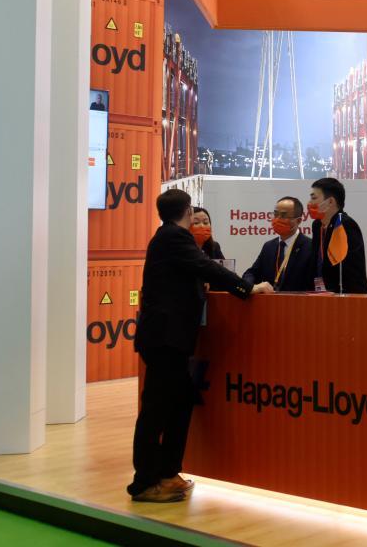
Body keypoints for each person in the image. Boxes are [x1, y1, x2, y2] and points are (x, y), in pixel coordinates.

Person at [128, 190, 267, 503]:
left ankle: (167, 474)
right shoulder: (174, 237)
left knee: (178, 403)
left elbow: (193, 273)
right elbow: (208, 267)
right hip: (166, 340)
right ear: (188, 212)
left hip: (168, 339)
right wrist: (247, 288)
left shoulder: (166, 237)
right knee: (157, 410)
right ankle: (146, 482)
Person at [308, 178, 367, 294]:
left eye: (314, 198)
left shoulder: (345, 224)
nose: (310, 203)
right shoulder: (317, 225)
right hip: (320, 293)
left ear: (331, 202)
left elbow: (350, 270)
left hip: (344, 295)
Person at [243, 196, 314, 292]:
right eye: (275, 214)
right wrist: (250, 287)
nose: (277, 219)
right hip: (271, 300)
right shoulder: (269, 246)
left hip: (299, 300)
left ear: (298, 221)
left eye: (283, 216)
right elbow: (251, 273)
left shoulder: (310, 246)